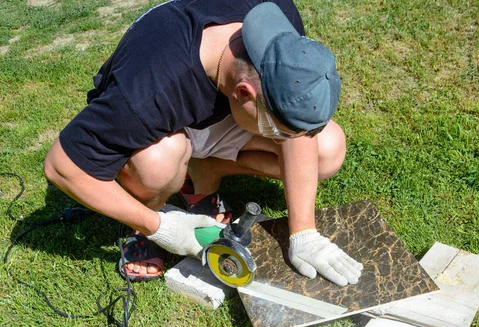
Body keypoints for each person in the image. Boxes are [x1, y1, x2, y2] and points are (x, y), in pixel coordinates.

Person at [43, 0, 363, 286]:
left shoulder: (279, 26)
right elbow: (62, 166)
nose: (282, 140)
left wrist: (304, 233)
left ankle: (204, 169)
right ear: (243, 94)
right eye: (276, 131)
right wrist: (161, 226)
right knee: (156, 164)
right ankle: (145, 215)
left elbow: (291, 113)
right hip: (160, 127)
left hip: (218, 114)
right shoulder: (148, 91)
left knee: (327, 149)